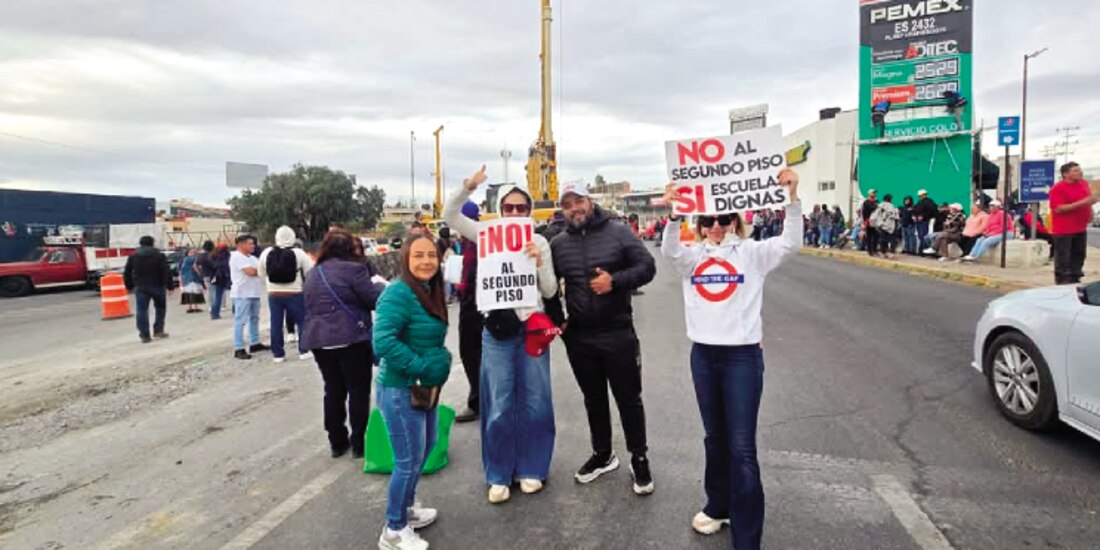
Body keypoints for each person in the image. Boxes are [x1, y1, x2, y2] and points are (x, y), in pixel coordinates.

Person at [660, 169, 801, 550]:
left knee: (741, 448)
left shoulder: (752, 254)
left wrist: (791, 198)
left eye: (724, 219)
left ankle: (747, 537)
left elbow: (790, 243)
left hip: (741, 358)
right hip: (703, 355)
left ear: (735, 221)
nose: (717, 227)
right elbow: (669, 251)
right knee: (714, 438)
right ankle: (717, 505)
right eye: (708, 220)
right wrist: (674, 214)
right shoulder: (692, 258)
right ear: (701, 224)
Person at [445, 165, 559, 503]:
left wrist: (539, 262)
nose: (514, 213)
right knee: (499, 403)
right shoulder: (484, 234)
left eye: (521, 208)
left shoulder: (539, 239)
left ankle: (532, 468)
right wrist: (469, 185)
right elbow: (450, 214)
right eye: (508, 208)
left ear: (529, 211)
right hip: (496, 330)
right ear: (499, 210)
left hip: (531, 329)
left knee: (536, 402)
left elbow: (551, 291)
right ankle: (498, 472)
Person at [551, 180, 658, 495]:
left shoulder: (618, 232)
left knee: (628, 399)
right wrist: (560, 324)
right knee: (593, 399)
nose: (574, 209)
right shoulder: (558, 243)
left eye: (578, 202)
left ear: (589, 201)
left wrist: (615, 281)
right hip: (580, 337)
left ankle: (639, 458)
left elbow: (647, 267)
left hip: (617, 332)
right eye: (567, 205)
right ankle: (602, 454)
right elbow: (546, 286)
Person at [372, 234, 452, 550]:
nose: (426, 261)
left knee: (426, 446)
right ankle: (393, 529)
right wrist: (420, 365)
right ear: (406, 258)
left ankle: (406, 510)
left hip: (423, 387)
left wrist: (437, 361)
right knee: (407, 460)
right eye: (418, 255)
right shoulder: (398, 294)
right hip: (400, 388)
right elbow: (383, 343)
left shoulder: (430, 289)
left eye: (431, 255)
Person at [301, 229, 386, 459]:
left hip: (319, 340)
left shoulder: (313, 273)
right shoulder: (354, 269)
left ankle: (336, 442)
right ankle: (359, 443)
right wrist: (379, 286)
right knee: (358, 391)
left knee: (333, 390)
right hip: (351, 339)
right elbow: (373, 300)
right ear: (349, 249)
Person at [258, 226, 315, 363]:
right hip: (294, 291)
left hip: (273, 292)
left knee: (275, 323)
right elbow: (310, 271)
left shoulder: (266, 253)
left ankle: (278, 354)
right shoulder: (299, 253)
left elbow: (261, 273)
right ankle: (304, 350)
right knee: (302, 321)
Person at [452, 200, 483, 423]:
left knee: (473, 354)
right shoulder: (467, 241)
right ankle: (479, 400)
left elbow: (474, 275)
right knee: (471, 354)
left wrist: (461, 287)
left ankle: (478, 402)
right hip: (470, 303)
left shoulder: (477, 240)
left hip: (475, 306)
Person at [1049, 162, 1098, 285]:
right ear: (1066, 174)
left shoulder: (1084, 184)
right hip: (1063, 231)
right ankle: (1063, 282)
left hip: (1080, 228)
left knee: (1079, 256)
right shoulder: (1057, 188)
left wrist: (1090, 212)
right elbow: (1059, 208)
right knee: (1064, 259)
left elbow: (1088, 201)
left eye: (1079, 170)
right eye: (1075, 170)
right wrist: (1084, 202)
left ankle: (1075, 279)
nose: (1079, 172)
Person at [123, 235, 172, 343]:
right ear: (152, 243)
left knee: (141, 311)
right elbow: (166, 271)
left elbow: (127, 272)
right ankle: (158, 330)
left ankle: (145, 334)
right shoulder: (159, 255)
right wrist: (170, 286)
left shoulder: (134, 256)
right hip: (158, 286)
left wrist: (129, 286)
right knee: (160, 309)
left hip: (141, 287)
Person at [230, 235, 268, 359]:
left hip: (254, 292)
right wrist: (260, 270)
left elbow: (262, 268)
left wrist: (260, 270)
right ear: (241, 244)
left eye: (253, 244)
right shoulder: (236, 257)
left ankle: (254, 343)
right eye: (250, 244)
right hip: (242, 293)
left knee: (254, 318)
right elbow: (251, 272)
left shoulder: (252, 258)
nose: (253, 246)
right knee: (240, 321)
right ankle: (239, 347)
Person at [870, 194, 899, 259]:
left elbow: (875, 215)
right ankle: (891, 252)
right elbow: (896, 216)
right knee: (891, 239)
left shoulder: (880, 205)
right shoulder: (892, 206)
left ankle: (883, 252)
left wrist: (876, 224)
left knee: (883, 239)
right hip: (891, 225)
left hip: (882, 225)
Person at [178, 248, 206, 313]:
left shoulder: (183, 260)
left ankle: (189, 307)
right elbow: (196, 267)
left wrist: (181, 279)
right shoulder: (193, 259)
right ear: (187, 253)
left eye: (193, 252)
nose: (193, 253)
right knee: (195, 292)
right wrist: (200, 274)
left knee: (188, 293)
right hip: (193, 277)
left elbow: (180, 270)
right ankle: (196, 307)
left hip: (186, 278)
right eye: (191, 252)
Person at [210, 243, 231, 320]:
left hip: (217, 277)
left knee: (217, 295)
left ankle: (214, 313)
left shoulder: (213, 256)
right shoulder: (227, 256)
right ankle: (235, 310)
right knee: (235, 294)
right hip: (225, 276)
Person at [860, 190, 880, 257]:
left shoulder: (876, 202)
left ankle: (875, 249)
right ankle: (870, 251)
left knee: (876, 236)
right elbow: (864, 212)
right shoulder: (866, 202)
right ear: (869, 194)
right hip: (868, 221)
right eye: (873, 193)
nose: (874, 194)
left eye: (875, 193)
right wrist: (864, 222)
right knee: (869, 236)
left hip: (875, 222)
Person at [196, 240, 216, 305]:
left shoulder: (200, 256)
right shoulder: (214, 254)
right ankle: (218, 304)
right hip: (215, 274)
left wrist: (199, 272)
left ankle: (211, 305)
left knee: (209, 291)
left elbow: (196, 265)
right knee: (216, 290)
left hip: (205, 275)